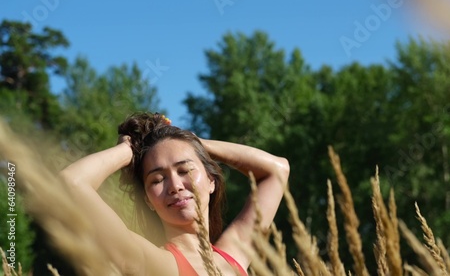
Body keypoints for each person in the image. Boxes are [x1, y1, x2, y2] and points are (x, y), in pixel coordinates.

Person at [59, 112, 289, 275]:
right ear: (148, 200)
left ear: (211, 181)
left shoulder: (235, 254)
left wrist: (193, 143)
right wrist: (128, 150)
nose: (175, 186)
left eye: (185, 170)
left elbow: (277, 170)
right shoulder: (149, 261)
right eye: (157, 179)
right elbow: (73, 181)